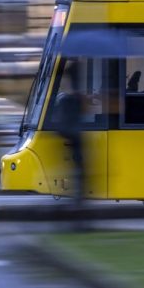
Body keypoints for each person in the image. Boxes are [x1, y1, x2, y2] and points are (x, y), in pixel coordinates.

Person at [55, 60, 86, 211]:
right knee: (79, 172)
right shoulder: (76, 98)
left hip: (75, 142)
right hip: (77, 141)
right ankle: (78, 203)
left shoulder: (67, 100)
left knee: (78, 172)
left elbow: (63, 126)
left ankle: (78, 205)